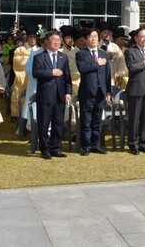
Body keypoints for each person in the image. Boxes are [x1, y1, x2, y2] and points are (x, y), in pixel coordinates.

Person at [32, 30, 72, 159]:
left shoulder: (63, 57)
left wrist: (68, 92)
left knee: (58, 123)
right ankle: (44, 148)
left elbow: (67, 77)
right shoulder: (39, 57)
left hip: (60, 95)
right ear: (47, 42)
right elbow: (36, 73)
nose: (56, 42)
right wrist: (51, 72)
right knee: (44, 123)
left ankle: (56, 147)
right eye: (53, 40)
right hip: (45, 95)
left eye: (58, 40)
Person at [123, 28, 145, 155]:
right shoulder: (130, 51)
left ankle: (143, 143)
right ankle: (133, 144)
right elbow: (131, 68)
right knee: (134, 118)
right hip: (136, 89)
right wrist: (144, 62)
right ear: (136, 38)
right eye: (142, 37)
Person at [75, 28, 111, 156]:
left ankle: (96, 145)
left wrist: (108, 92)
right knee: (86, 121)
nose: (93, 39)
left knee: (97, 121)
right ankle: (85, 146)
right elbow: (83, 69)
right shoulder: (81, 54)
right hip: (87, 92)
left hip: (100, 93)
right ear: (85, 39)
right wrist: (97, 63)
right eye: (90, 36)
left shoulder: (103, 54)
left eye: (95, 36)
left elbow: (107, 75)